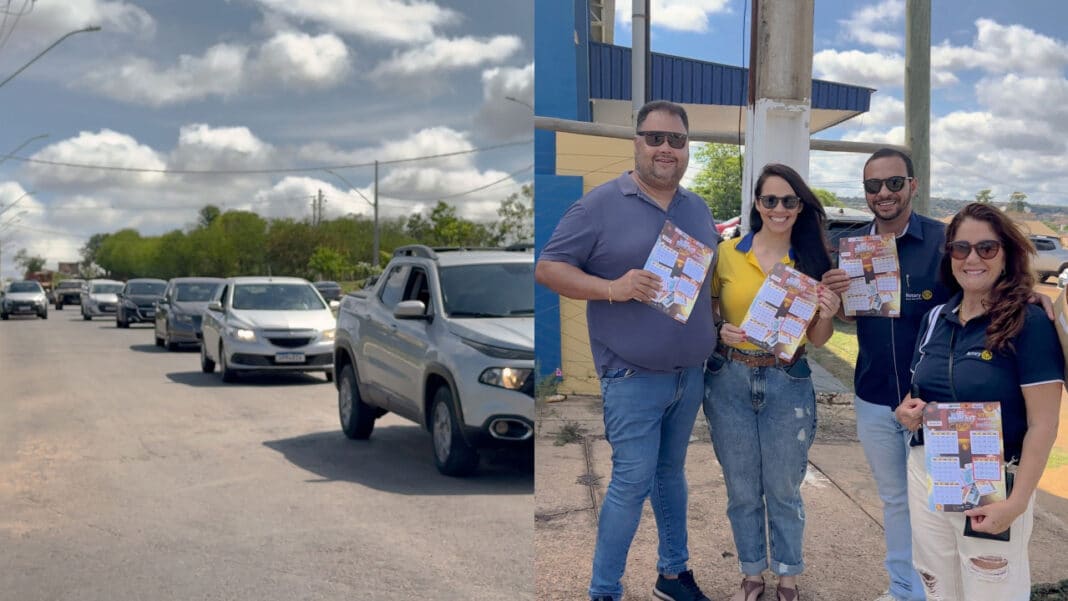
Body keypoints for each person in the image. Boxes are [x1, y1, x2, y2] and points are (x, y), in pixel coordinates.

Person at [535, 100, 718, 601]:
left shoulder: (696, 209)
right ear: (636, 142)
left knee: (670, 476)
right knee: (630, 484)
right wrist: (613, 287)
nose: (665, 148)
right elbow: (549, 268)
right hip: (632, 377)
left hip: (690, 375)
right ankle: (604, 590)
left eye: (676, 140)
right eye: (654, 137)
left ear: (686, 149)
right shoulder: (598, 205)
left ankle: (673, 573)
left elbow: (706, 285)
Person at [894, 202, 1063, 601]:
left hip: (993, 475)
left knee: (992, 588)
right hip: (929, 469)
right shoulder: (936, 317)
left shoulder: (1029, 321)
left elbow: (1044, 423)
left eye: (986, 248)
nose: (972, 258)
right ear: (949, 255)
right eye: (960, 248)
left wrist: (1017, 501)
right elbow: (920, 390)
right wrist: (906, 411)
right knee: (937, 582)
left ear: (1006, 255)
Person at [704, 163, 840, 601]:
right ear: (757, 204)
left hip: (787, 380)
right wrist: (718, 330)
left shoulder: (812, 261)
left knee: (783, 488)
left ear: (801, 207)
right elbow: (709, 315)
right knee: (742, 488)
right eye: (769, 200)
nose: (778, 209)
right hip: (730, 378)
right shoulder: (726, 253)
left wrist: (827, 311)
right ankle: (751, 574)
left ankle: (787, 577)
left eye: (789, 201)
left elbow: (818, 339)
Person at [820, 148, 951, 601]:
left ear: (913, 185)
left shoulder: (944, 242)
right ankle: (902, 590)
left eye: (894, 183)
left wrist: (1030, 300)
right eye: (873, 186)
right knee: (896, 501)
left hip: (935, 402)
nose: (883, 193)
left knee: (943, 504)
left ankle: (943, 591)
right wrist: (837, 298)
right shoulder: (852, 248)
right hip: (874, 396)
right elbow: (854, 319)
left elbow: (984, 297)